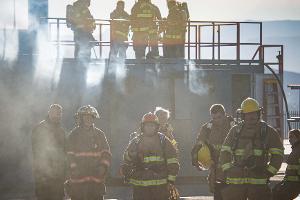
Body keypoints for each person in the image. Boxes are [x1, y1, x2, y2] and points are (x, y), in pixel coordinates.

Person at [219, 97, 284, 200]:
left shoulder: (268, 132)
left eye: (254, 113)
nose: (251, 116)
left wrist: (268, 172)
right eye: (248, 114)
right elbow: (224, 151)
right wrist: (228, 170)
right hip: (236, 183)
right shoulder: (235, 131)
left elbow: (278, 154)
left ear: (259, 114)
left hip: (258, 184)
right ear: (243, 115)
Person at [121, 112, 180, 200]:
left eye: (152, 125)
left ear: (156, 127)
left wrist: (170, 181)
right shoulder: (136, 141)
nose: (149, 128)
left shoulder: (163, 141)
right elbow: (126, 159)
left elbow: (173, 161)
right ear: (143, 127)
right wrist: (131, 155)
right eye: (147, 125)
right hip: (140, 186)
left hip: (160, 186)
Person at [65, 105, 111, 200]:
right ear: (81, 119)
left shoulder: (100, 134)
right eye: (86, 117)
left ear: (94, 118)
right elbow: (68, 155)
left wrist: (103, 167)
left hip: (96, 180)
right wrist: (74, 169)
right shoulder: (73, 135)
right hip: (78, 181)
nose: (88, 119)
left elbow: (106, 153)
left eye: (90, 117)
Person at [191, 104, 234, 200]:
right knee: (218, 195)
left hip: (233, 169)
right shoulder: (207, 128)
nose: (216, 120)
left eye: (219, 117)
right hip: (216, 170)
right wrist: (195, 160)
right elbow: (198, 145)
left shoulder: (234, 126)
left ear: (225, 114)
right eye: (214, 118)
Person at [31, 104, 66, 200]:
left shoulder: (61, 131)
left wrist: (64, 172)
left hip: (58, 175)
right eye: (54, 113)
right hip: (43, 175)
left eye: (59, 114)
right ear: (49, 113)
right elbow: (37, 151)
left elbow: (64, 152)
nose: (57, 116)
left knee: (58, 197)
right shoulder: (39, 128)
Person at [272, 129, 300, 200]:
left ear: (298, 137)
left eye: (292, 137)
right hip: (289, 182)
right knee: (274, 191)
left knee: (278, 195)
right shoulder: (295, 149)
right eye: (289, 137)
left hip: (294, 184)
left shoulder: (298, 150)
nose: (290, 139)